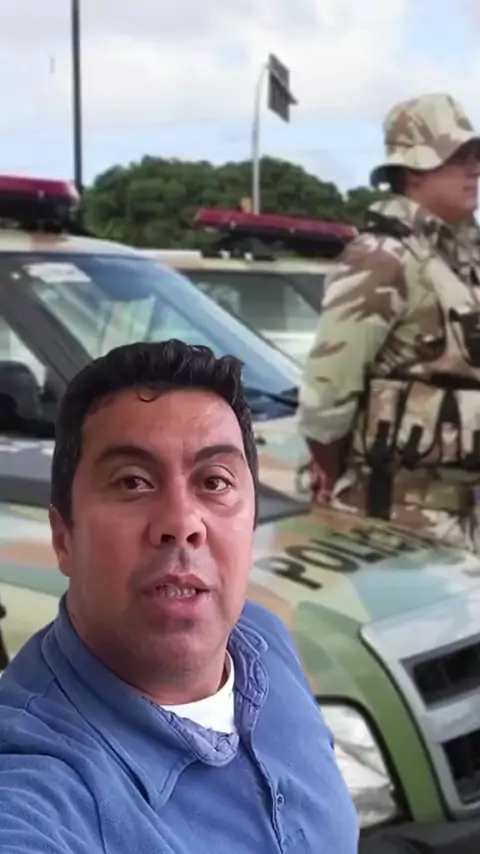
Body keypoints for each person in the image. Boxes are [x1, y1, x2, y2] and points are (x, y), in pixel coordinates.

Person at [0, 340, 358, 854]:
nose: (182, 522)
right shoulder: (34, 786)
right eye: (133, 482)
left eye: (215, 481)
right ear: (64, 539)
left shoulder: (260, 639)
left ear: (251, 523)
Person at [299, 92, 480, 551]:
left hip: (464, 514)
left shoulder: (463, 258)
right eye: (458, 157)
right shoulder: (381, 258)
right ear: (415, 169)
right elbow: (327, 397)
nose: (474, 169)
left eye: (475, 156)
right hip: (399, 519)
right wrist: (332, 472)